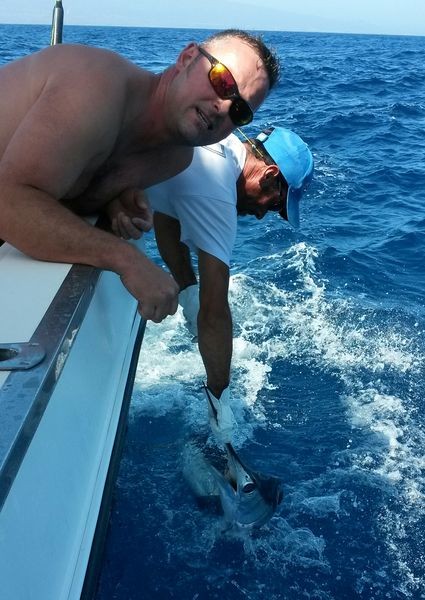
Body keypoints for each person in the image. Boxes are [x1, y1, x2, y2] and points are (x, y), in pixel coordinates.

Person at [0, 30, 280, 323]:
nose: (223, 107)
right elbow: (8, 201)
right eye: (222, 82)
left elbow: (61, 180)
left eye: (240, 111)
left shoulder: (176, 158)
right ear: (187, 58)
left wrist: (113, 201)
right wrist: (126, 259)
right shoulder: (96, 88)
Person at [113, 126, 314, 442]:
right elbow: (215, 311)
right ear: (270, 174)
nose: (262, 215)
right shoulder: (217, 191)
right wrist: (220, 398)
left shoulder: (220, 142)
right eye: (275, 204)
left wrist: (187, 291)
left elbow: (168, 214)